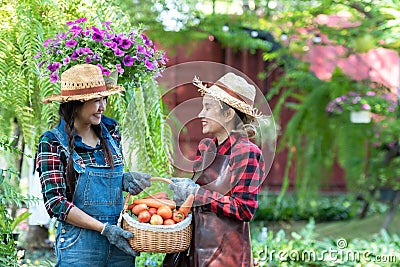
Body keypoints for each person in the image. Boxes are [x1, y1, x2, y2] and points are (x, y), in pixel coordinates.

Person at [36, 64, 152, 266]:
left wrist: (123, 180)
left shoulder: (111, 130)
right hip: (79, 248)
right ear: (76, 103)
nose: (103, 107)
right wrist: (104, 229)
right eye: (96, 100)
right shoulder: (53, 142)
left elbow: (109, 178)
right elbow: (56, 203)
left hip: (120, 245)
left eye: (104, 99)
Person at [164, 72, 266, 267]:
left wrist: (196, 193)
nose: (201, 114)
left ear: (228, 114)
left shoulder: (246, 152)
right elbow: (200, 199)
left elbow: (245, 209)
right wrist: (180, 198)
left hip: (226, 256)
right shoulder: (207, 148)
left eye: (208, 108)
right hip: (195, 250)